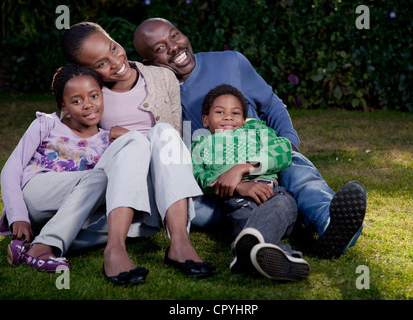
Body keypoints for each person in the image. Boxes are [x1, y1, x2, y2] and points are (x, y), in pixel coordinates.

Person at [133, 17, 367, 259]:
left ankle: (329, 222)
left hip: (261, 157)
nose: (174, 47)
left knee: (297, 169)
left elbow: (272, 105)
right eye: (160, 48)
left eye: (174, 35)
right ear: (148, 63)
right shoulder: (157, 97)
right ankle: (278, 221)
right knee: (194, 211)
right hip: (218, 183)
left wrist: (288, 143)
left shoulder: (230, 61)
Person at [60, 21, 215, 278]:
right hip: (123, 186)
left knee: (165, 132)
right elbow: (81, 145)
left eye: (113, 48)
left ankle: (180, 242)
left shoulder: (163, 77)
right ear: (87, 71)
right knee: (134, 143)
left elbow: (175, 137)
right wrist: (114, 135)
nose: (115, 61)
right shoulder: (91, 97)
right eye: (100, 64)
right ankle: (115, 249)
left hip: (166, 186)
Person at [0, 63, 163, 285]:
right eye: (77, 101)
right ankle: (43, 246)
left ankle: (36, 243)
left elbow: (140, 165)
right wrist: (17, 216)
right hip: (38, 194)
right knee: (101, 176)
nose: (88, 105)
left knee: (133, 223)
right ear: (63, 105)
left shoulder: (109, 140)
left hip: (72, 208)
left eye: (94, 96)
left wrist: (131, 136)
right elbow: (11, 168)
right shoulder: (46, 124)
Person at [192, 84, 310, 281]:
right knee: (244, 218)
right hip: (237, 199)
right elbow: (199, 176)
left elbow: (282, 150)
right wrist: (238, 186)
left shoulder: (257, 130)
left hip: (271, 192)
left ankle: (248, 254)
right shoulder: (201, 144)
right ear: (205, 119)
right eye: (220, 112)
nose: (228, 117)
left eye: (235, 113)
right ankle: (279, 255)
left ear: (244, 119)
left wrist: (243, 168)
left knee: (282, 205)